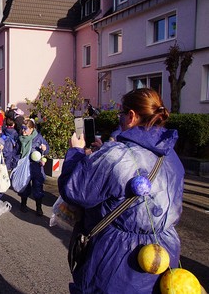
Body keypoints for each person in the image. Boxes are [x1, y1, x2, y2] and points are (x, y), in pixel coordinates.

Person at [58, 88, 184, 293]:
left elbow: (73, 190)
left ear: (132, 116)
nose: (120, 120)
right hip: (164, 252)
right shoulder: (172, 157)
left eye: (122, 115)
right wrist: (103, 153)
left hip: (119, 256)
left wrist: (76, 152)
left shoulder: (117, 156)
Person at [17, 118, 49, 216]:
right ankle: (23, 204)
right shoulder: (20, 138)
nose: (23, 131)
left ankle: (39, 208)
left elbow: (46, 149)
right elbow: (17, 152)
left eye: (25, 129)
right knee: (24, 185)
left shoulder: (39, 138)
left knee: (38, 187)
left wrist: (45, 148)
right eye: (22, 128)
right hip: (24, 166)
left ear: (32, 129)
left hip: (36, 167)